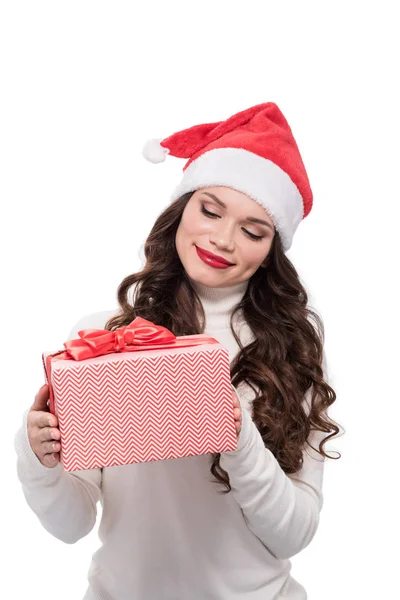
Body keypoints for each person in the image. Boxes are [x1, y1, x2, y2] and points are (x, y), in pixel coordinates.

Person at [14, 101, 342, 600]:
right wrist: (41, 459)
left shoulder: (291, 354)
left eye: (253, 231)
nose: (222, 238)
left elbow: (293, 534)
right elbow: (71, 525)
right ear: (181, 209)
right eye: (210, 210)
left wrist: (237, 434)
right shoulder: (100, 339)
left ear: (272, 249)